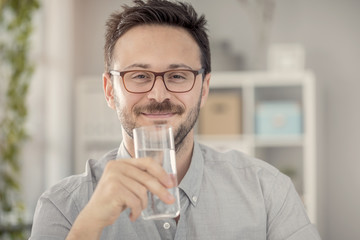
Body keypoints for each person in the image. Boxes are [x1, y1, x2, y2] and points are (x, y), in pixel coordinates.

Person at [30, 0, 321, 239]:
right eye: (140, 76)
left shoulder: (268, 191)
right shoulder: (63, 207)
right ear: (109, 90)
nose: (158, 95)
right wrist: (88, 227)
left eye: (178, 76)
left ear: (204, 88)